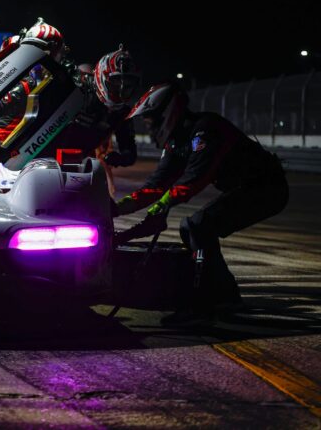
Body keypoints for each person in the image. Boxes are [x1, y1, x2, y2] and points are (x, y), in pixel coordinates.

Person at [114, 82, 289, 326]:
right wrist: (115, 209)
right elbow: (155, 186)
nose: (149, 127)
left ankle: (202, 306)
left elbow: (195, 178)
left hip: (267, 188)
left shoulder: (204, 131)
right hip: (247, 188)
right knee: (193, 228)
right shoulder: (177, 142)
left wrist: (163, 204)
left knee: (198, 226)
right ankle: (227, 298)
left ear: (166, 113)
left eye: (150, 121)